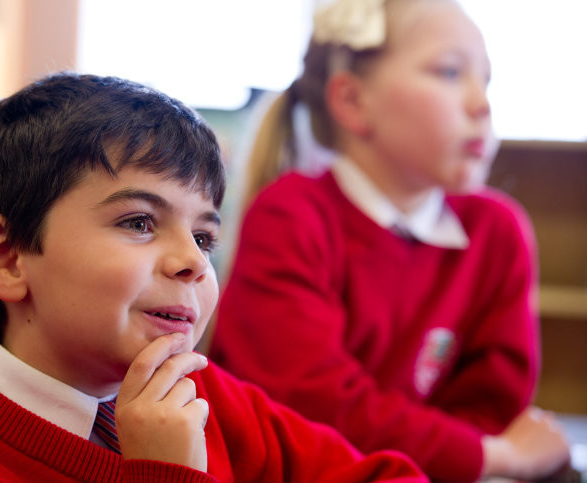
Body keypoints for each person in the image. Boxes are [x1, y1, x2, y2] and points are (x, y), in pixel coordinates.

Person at [0, 73, 428, 482]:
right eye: (139, 222)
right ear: (7, 256)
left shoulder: (207, 399)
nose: (194, 262)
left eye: (205, 237)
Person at [209, 0, 571, 481]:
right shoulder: (289, 216)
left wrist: (469, 452)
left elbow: (491, 407)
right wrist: (492, 456)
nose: (481, 104)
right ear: (354, 101)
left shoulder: (497, 231)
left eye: (486, 80)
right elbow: (310, 408)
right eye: (448, 72)